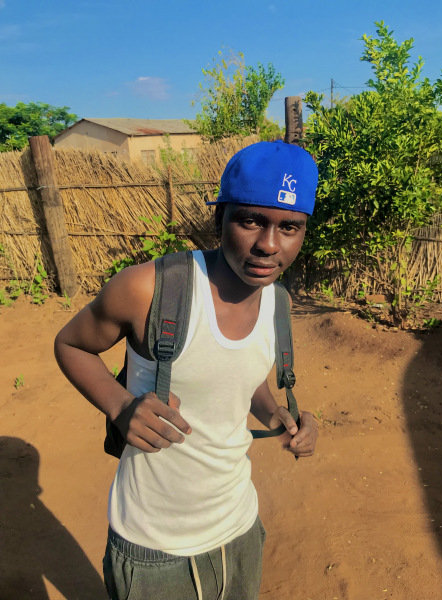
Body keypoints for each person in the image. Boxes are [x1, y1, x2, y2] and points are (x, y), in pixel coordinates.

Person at [54, 140, 319, 600]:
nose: (268, 244)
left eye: (289, 227)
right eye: (250, 220)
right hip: (154, 544)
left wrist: (278, 416)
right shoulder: (149, 289)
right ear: (220, 219)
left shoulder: (278, 303)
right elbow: (70, 344)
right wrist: (120, 407)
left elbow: (242, 371)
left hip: (239, 528)